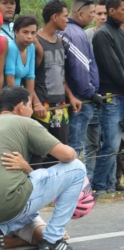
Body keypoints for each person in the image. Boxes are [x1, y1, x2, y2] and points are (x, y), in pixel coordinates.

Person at [0, 85, 86, 250]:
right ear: (20, 106)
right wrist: (74, 151)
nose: (31, 110)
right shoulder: (25, 122)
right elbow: (67, 155)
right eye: (30, 106)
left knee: (21, 190)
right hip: (11, 204)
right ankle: (52, 240)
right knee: (78, 168)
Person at [30, 0, 81, 169]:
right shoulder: (36, 41)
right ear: (54, 17)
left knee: (60, 149)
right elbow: (28, 77)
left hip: (60, 105)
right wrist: (35, 102)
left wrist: (71, 96)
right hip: (42, 106)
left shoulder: (59, 40)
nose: (67, 20)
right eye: (65, 16)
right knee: (39, 152)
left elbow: (61, 74)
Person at [56, 0, 102, 158]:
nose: (93, 17)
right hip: (80, 100)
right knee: (74, 148)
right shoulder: (75, 34)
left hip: (68, 97)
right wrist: (90, 93)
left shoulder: (63, 31)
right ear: (80, 13)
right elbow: (80, 69)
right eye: (92, 13)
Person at [92, 0, 124, 194]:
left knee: (116, 145)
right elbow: (113, 69)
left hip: (121, 95)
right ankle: (97, 187)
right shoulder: (102, 34)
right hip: (111, 96)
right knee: (110, 144)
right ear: (112, 11)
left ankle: (109, 185)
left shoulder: (120, 33)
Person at [83, 0, 107, 182]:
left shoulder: (116, 35)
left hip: (111, 97)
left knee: (110, 141)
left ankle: (106, 181)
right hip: (91, 97)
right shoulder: (85, 36)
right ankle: (88, 182)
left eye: (105, 14)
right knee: (91, 143)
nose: (102, 18)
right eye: (98, 14)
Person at [4, 15, 37, 87]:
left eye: (33, 33)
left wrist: (30, 98)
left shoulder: (31, 47)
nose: (29, 36)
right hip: (7, 94)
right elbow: (9, 81)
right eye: (25, 32)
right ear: (16, 32)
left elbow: (30, 76)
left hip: (18, 93)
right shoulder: (11, 47)